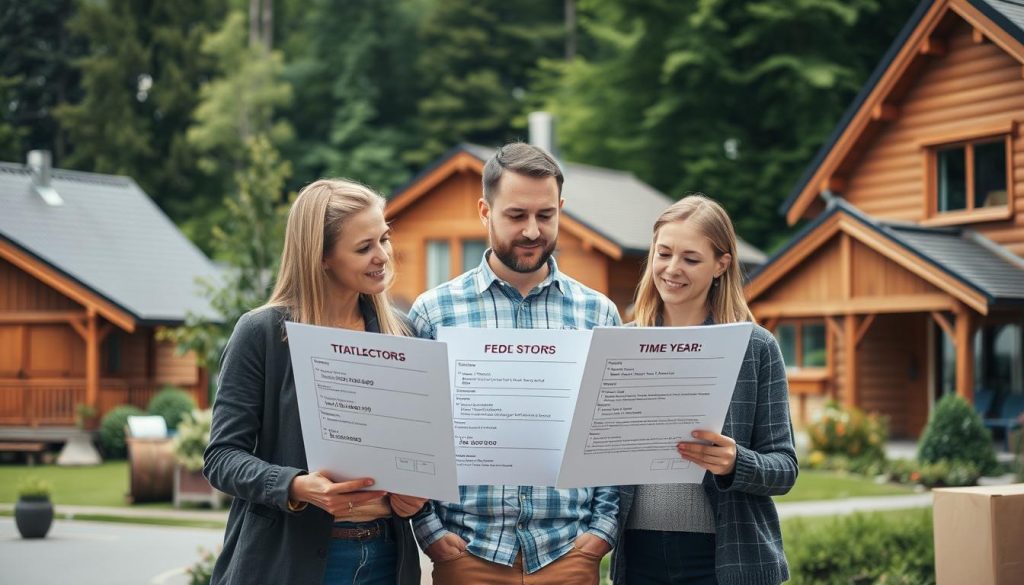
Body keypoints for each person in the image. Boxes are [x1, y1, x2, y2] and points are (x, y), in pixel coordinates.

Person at [407, 142, 622, 585]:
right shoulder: (433, 313)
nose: (531, 231)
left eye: (545, 215)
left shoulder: (597, 314)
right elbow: (413, 439)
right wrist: (430, 532)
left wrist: (602, 531)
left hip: (569, 554)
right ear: (485, 212)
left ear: (561, 208)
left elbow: (611, 438)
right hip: (467, 553)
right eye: (516, 215)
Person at [204, 179, 426, 585]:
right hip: (289, 561)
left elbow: (415, 454)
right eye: (364, 248)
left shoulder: (403, 335)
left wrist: (413, 499)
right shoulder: (263, 334)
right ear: (322, 257)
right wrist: (296, 486)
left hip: (386, 557)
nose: (383, 257)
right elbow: (221, 458)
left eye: (385, 239)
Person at [611, 195, 798, 585]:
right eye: (663, 254)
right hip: (638, 558)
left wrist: (735, 462)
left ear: (721, 265)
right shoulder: (621, 345)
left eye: (691, 259)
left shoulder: (755, 348)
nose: (672, 269)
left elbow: (784, 469)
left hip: (726, 561)